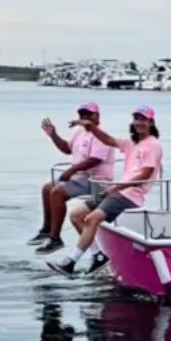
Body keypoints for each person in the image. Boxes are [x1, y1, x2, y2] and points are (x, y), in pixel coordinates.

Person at [48, 105, 163, 276]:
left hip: (130, 195)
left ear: (151, 122)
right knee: (76, 216)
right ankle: (98, 256)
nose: (138, 122)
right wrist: (91, 126)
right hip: (117, 191)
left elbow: (145, 175)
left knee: (92, 218)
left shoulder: (153, 145)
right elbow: (108, 140)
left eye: (143, 119)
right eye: (136, 119)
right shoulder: (133, 143)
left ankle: (70, 262)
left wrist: (117, 186)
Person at [29, 102, 116, 255]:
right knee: (47, 188)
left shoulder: (101, 135)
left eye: (88, 114)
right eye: (82, 114)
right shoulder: (79, 132)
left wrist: (71, 170)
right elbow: (67, 149)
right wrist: (53, 135)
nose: (84, 117)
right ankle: (47, 230)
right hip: (81, 176)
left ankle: (55, 239)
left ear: (97, 116)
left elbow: (94, 160)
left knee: (57, 193)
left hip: (96, 179)